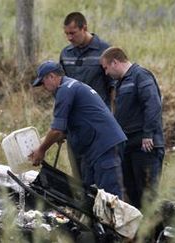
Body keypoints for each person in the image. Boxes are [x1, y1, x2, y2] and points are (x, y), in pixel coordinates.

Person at [28, 60, 126, 199]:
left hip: (104, 146)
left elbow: (57, 130)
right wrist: (41, 144)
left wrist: (42, 150)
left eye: (43, 82)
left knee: (110, 198)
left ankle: (119, 221)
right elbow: (61, 131)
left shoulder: (65, 90)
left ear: (51, 76)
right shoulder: (71, 86)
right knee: (90, 194)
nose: (43, 87)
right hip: (95, 147)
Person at [100, 47, 165, 209]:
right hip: (128, 146)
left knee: (148, 196)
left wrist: (148, 134)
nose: (106, 73)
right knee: (133, 194)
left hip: (145, 147)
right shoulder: (120, 83)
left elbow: (153, 104)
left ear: (115, 62)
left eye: (106, 68)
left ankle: (153, 232)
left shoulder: (140, 76)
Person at [60, 11, 116, 179]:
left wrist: (113, 117)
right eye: (66, 34)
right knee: (78, 175)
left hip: (98, 123)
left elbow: (113, 88)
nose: (69, 38)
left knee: (98, 173)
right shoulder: (66, 54)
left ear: (84, 28)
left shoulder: (104, 51)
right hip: (75, 125)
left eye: (73, 33)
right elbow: (61, 89)